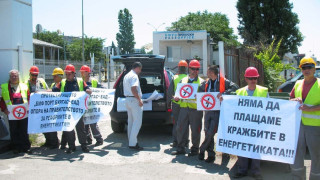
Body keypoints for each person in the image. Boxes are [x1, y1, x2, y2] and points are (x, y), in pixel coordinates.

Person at [198, 65, 239, 163]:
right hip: (208, 111)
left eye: (208, 72)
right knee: (207, 131)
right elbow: (200, 89)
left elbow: (235, 87)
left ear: (213, 73)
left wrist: (224, 93)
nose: (207, 74)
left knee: (211, 131)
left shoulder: (224, 82)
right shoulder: (206, 83)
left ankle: (202, 149)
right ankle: (211, 155)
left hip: (218, 111)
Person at [233, 67, 267, 180]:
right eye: (250, 78)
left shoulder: (263, 91)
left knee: (256, 149)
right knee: (242, 148)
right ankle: (242, 170)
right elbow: (234, 107)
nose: (253, 80)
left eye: (255, 78)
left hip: (257, 126)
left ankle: (256, 172)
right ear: (246, 79)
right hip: (243, 126)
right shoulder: (240, 92)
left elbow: (269, 108)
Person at [289, 57, 320, 180]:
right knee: (297, 153)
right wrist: (294, 100)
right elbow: (289, 100)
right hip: (298, 125)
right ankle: (298, 177)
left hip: (315, 126)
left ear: (314, 68)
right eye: (304, 67)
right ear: (301, 69)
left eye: (309, 67)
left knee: (316, 155)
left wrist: (311, 109)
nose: (307, 70)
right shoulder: (297, 84)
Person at [171, 60, 204, 156]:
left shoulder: (202, 82)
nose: (195, 71)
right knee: (180, 128)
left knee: (196, 130)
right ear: (189, 69)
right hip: (184, 109)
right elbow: (178, 95)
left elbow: (204, 97)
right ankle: (181, 148)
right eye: (193, 69)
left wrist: (199, 97)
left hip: (196, 110)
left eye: (197, 69)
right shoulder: (183, 80)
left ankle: (194, 149)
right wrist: (176, 99)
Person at [57, 64, 92, 153]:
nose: (67, 76)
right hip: (67, 111)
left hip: (78, 111)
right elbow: (53, 91)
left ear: (74, 74)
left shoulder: (80, 81)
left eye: (69, 74)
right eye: (66, 74)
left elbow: (87, 88)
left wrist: (88, 91)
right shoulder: (62, 83)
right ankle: (71, 146)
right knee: (69, 129)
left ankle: (83, 145)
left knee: (80, 129)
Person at [0, 70, 31, 154]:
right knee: (14, 130)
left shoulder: (24, 86)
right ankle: (16, 147)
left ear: (18, 77)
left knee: (24, 130)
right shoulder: (4, 86)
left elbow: (28, 98)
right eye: (12, 76)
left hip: (24, 112)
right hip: (11, 113)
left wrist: (28, 108)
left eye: (16, 76)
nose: (14, 77)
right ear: (9, 77)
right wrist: (4, 109)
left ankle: (25, 147)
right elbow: (1, 100)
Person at [166, 60, 189, 148]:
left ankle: (176, 142)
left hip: (176, 104)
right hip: (185, 104)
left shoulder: (175, 78)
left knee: (176, 123)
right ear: (186, 68)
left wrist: (168, 103)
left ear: (178, 68)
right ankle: (186, 142)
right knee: (185, 123)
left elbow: (170, 92)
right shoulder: (188, 78)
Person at [80, 65, 104, 146]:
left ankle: (99, 139)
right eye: (83, 73)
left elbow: (102, 90)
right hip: (83, 107)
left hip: (92, 107)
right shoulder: (79, 82)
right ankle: (88, 140)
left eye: (87, 73)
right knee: (85, 125)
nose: (86, 75)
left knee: (93, 124)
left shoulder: (94, 81)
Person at [123, 62, 144, 150]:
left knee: (131, 122)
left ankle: (131, 141)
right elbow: (133, 89)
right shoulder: (134, 76)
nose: (140, 71)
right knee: (137, 122)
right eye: (140, 69)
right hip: (134, 100)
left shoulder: (127, 75)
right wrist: (139, 100)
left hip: (127, 100)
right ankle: (133, 144)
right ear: (138, 68)